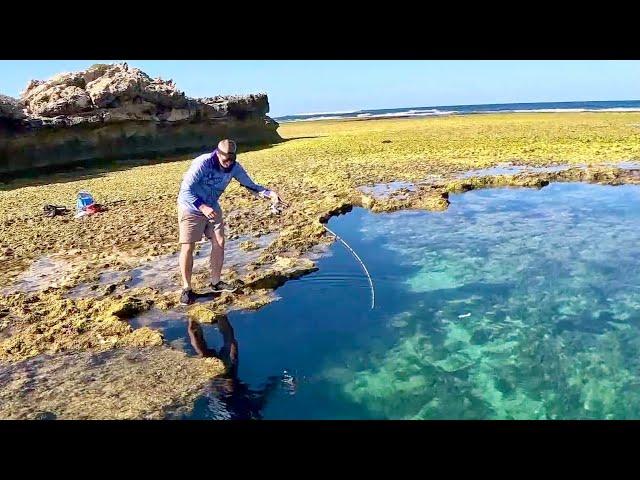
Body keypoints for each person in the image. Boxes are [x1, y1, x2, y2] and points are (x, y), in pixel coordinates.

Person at [177, 139, 285, 305]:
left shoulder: (235, 167)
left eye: (231, 159)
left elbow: (251, 185)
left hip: (213, 207)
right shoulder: (203, 163)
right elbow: (186, 190)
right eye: (225, 159)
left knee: (219, 241)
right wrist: (203, 207)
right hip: (191, 207)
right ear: (217, 153)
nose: (228, 163)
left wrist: (270, 194)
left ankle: (215, 283)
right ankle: (186, 289)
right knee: (188, 246)